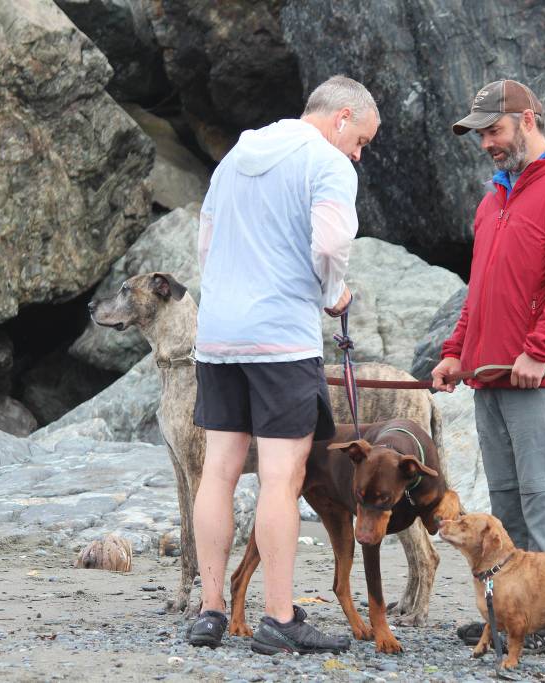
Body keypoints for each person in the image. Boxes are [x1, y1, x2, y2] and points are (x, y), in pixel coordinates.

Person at [188, 75, 380, 655]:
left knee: (219, 470)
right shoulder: (328, 163)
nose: (359, 154)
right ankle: (278, 616)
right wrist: (334, 293)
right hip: (280, 341)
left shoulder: (237, 155)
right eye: (362, 140)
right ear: (342, 116)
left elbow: (207, 240)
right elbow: (328, 245)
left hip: (219, 336)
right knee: (281, 475)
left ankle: (211, 610)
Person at [432, 79, 545, 652]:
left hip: (543, 375)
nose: (486, 142)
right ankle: (512, 621)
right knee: (505, 504)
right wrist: (456, 351)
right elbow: (479, 289)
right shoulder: (493, 199)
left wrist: (540, 349)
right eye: (480, 133)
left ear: (527, 118)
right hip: (490, 377)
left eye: (494, 130)